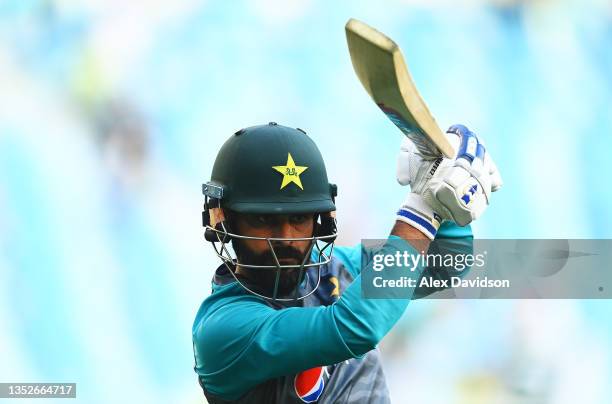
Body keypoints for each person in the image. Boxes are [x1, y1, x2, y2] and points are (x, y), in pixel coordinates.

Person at [192, 122, 502, 403]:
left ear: (320, 222)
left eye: (298, 218)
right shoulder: (223, 329)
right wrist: (423, 207)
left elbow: (446, 263)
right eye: (263, 219)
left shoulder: (335, 266)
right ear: (224, 221)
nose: (285, 239)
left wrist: (446, 195)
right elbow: (356, 326)